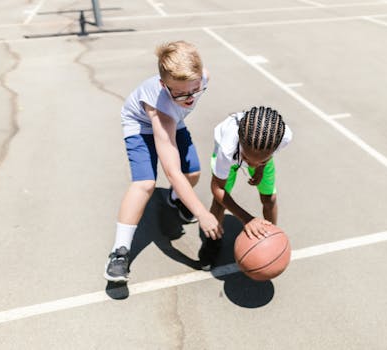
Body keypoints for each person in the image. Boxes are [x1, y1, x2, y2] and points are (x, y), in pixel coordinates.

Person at [104, 41, 222, 282]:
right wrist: (202, 213)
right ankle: (119, 253)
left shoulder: (202, 78)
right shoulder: (160, 107)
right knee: (145, 183)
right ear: (163, 85)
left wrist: (182, 98)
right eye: (180, 92)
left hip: (174, 119)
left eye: (194, 90)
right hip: (142, 125)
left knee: (194, 174)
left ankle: (174, 199)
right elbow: (171, 171)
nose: (190, 98)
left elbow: (182, 174)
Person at [198, 106, 293, 271]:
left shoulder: (282, 137)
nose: (252, 165)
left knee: (270, 199)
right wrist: (247, 218)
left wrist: (261, 167)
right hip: (232, 158)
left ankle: (269, 236)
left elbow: (260, 157)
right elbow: (217, 188)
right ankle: (213, 242)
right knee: (220, 202)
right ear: (240, 142)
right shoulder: (227, 148)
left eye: (260, 161)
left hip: (257, 152)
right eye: (248, 160)